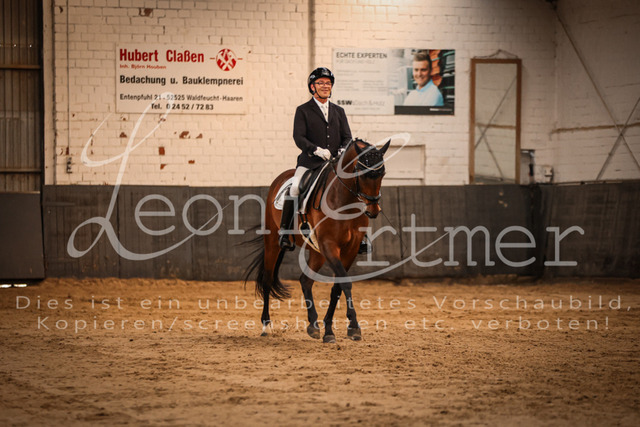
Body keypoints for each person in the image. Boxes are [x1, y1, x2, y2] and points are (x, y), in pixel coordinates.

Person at [279, 67, 369, 254]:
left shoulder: (339, 111)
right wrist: (316, 150)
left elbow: (347, 136)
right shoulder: (303, 110)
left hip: (335, 164)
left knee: (356, 188)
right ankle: (285, 232)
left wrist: (343, 149)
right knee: (295, 188)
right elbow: (299, 137)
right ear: (312, 87)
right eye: (321, 83)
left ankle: (361, 236)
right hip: (311, 162)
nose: (325, 86)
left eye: (328, 83)